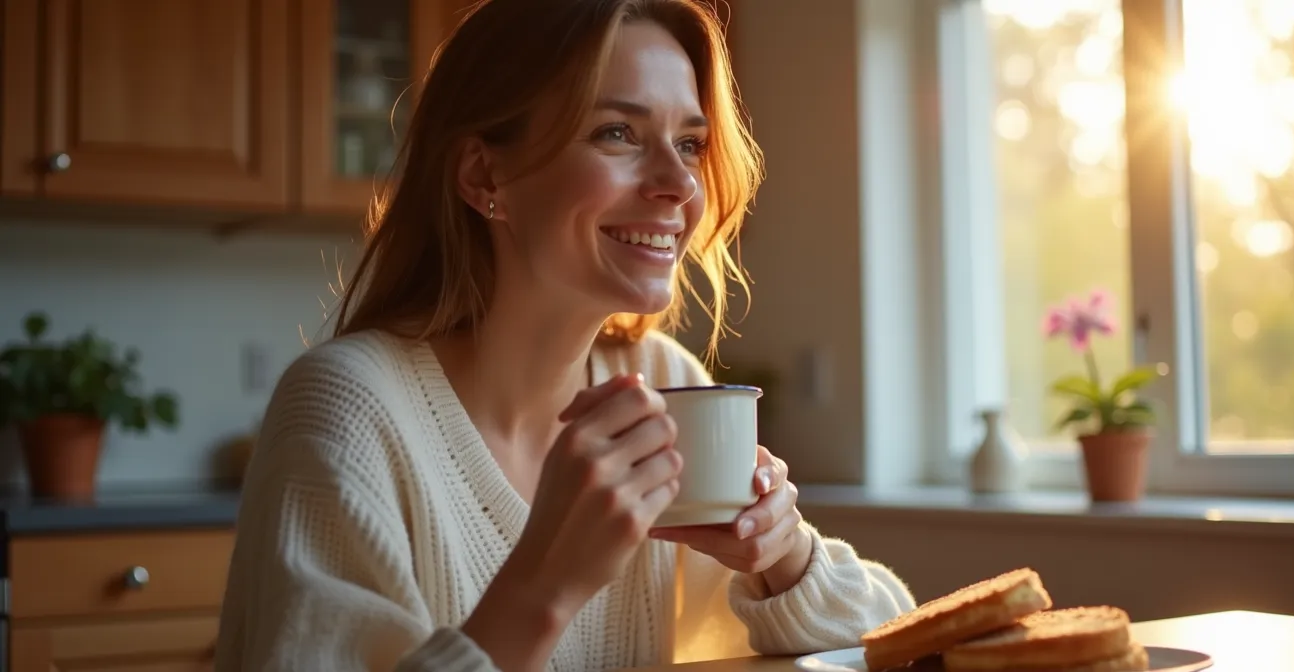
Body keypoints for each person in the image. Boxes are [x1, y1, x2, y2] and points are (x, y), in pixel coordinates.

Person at [214, 0, 917, 670]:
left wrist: (782, 556)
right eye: (617, 132)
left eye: (691, 142)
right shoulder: (350, 409)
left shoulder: (664, 381)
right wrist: (547, 582)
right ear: (484, 174)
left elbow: (896, 640)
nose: (680, 184)